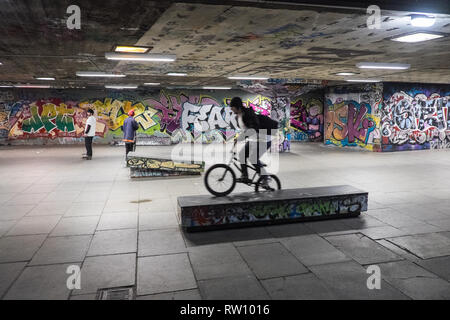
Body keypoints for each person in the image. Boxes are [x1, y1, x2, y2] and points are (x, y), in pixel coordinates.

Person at [230, 97, 278, 184]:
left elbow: (253, 128)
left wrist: (240, 138)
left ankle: (265, 177)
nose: (231, 109)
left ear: (238, 107)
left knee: (253, 158)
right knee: (242, 154)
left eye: (232, 107)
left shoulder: (248, 114)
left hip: (264, 137)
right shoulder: (238, 117)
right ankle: (245, 176)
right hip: (254, 138)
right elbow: (246, 130)